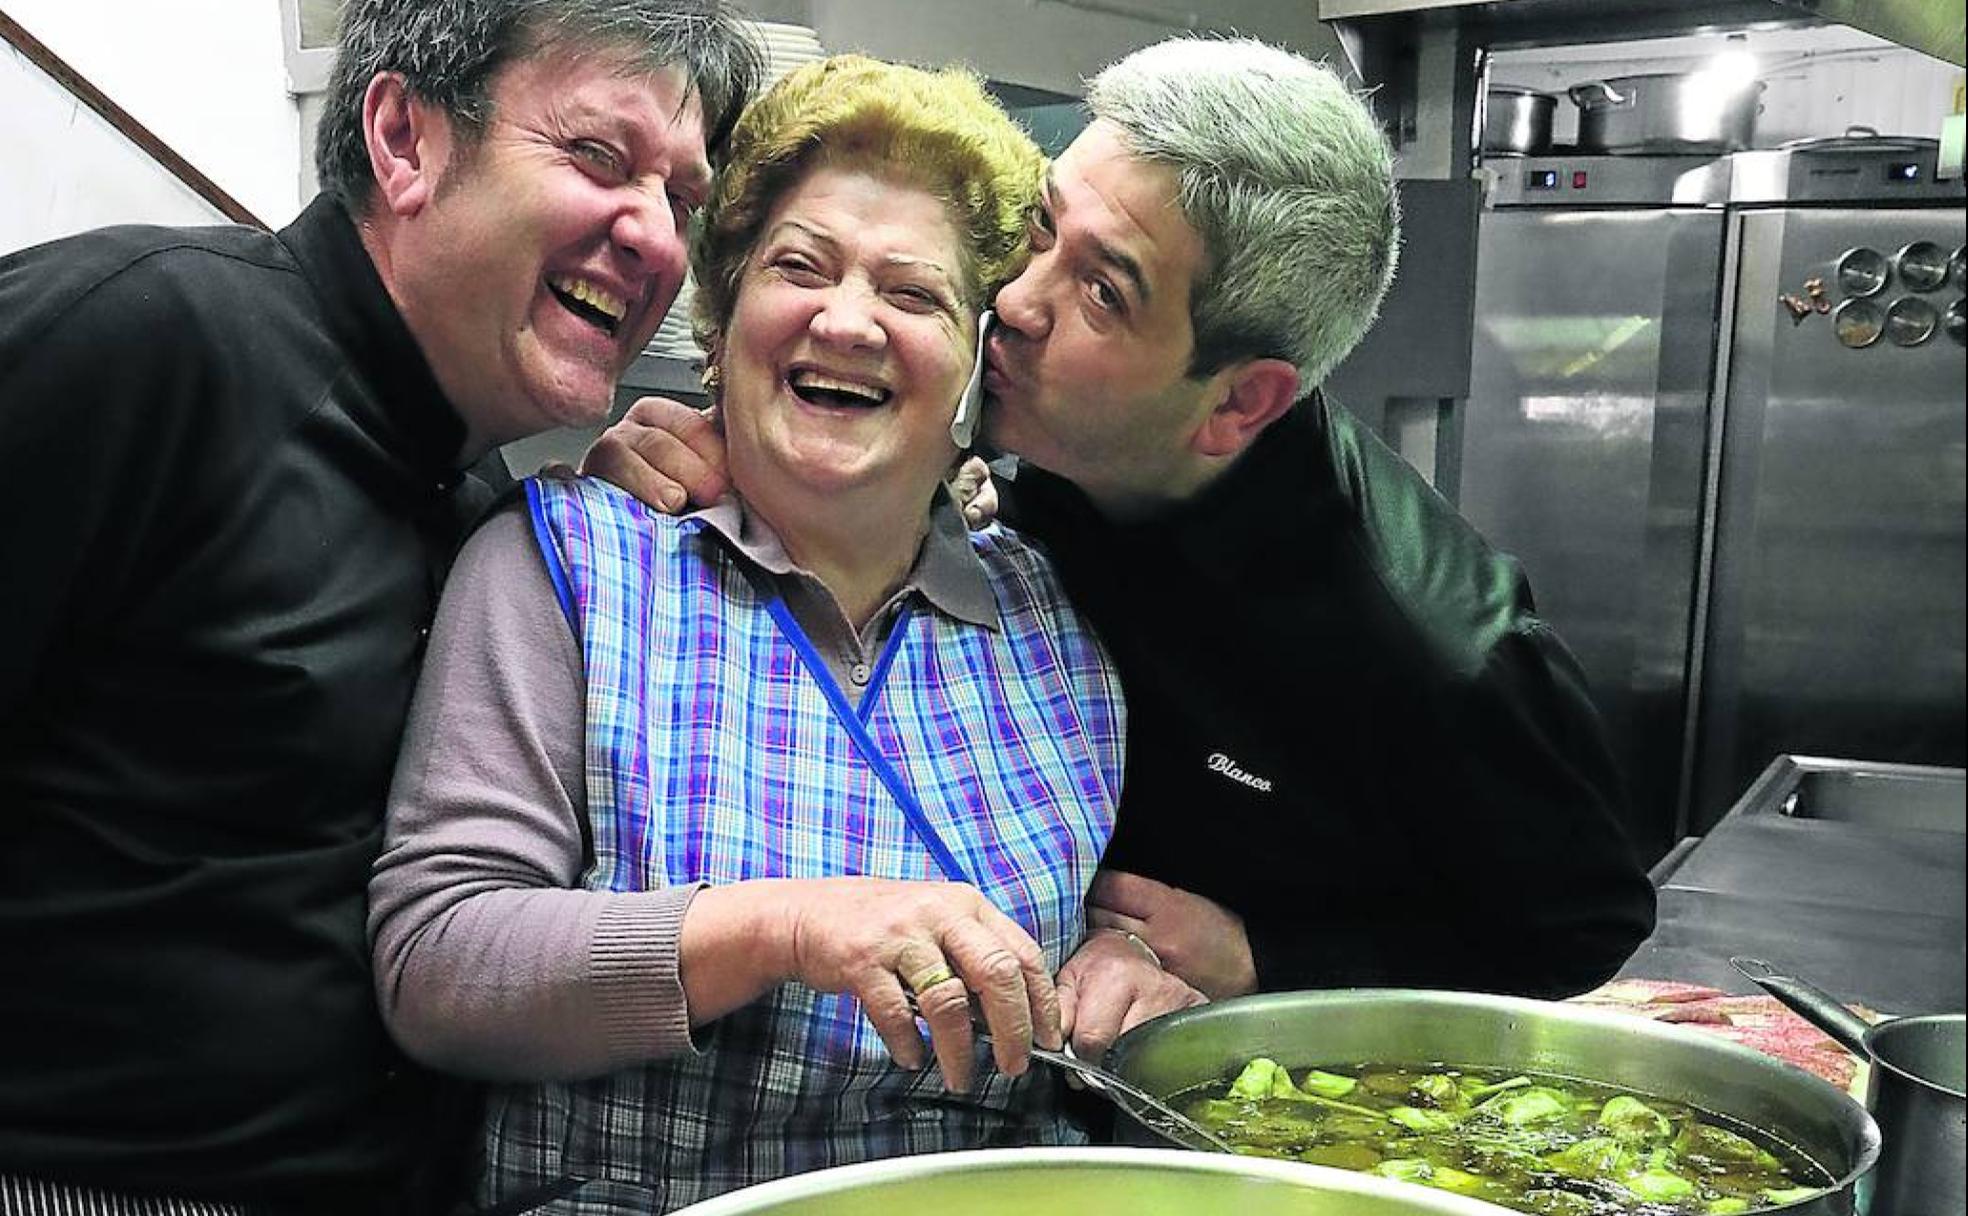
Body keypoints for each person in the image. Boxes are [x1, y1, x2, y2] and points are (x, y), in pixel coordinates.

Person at [589, 36, 1658, 1054]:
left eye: (1104, 289)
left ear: (1240, 402)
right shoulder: (1039, 463)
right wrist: (717, 452)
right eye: (1042, 228)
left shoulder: (1435, 648)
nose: (1011, 301)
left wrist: (1271, 959)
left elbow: (1580, 928)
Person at [367, 54, 1193, 1215]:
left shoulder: (1053, 632)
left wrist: (1129, 974)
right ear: (723, 320)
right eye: (799, 267)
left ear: (969, 364)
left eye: (914, 295)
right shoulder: (567, 564)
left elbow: (1088, 925)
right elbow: (437, 962)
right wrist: (788, 926)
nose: (846, 320)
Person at [0, 2, 759, 1212]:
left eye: (683, 197)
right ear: (405, 138)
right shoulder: (143, 338)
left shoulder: (478, 497)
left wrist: (583, 540)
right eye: (601, 159)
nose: (655, 237)